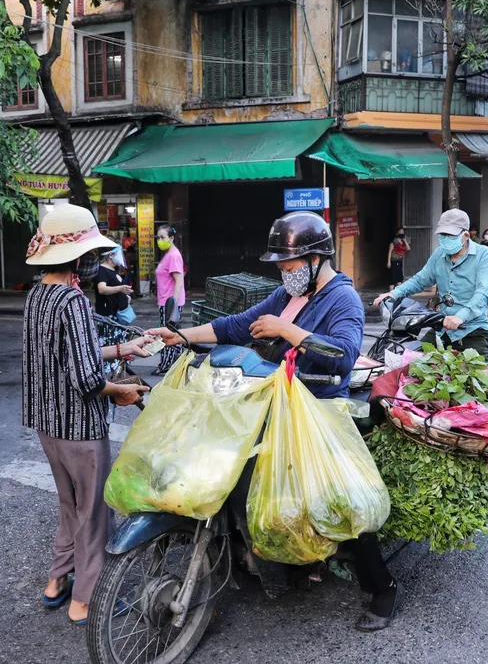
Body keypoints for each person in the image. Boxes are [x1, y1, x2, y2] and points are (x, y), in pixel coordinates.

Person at [148, 212, 400, 632]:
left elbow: (343, 355)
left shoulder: (343, 299)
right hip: (275, 402)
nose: (285, 275)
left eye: (291, 267)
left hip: (319, 409)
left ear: (317, 259)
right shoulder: (287, 296)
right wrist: (184, 336)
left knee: (342, 501)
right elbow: (238, 325)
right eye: (281, 268)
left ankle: (383, 587)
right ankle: (273, 559)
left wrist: (289, 330)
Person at [23, 204, 154, 625]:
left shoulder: (37, 296)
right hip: (80, 428)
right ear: (78, 257)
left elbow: (66, 355)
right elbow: (87, 379)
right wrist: (124, 391)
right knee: (94, 512)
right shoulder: (74, 301)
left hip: (48, 425)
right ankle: (86, 598)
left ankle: (57, 582)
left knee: (70, 505)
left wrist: (121, 349)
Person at [374, 209, 488, 359]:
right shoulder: (439, 254)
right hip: (442, 328)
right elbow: (420, 280)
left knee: (476, 379)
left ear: (465, 236)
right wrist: (393, 294)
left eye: (450, 235)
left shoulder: (484, 255)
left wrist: (460, 317)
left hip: (472, 330)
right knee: (411, 366)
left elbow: (483, 293)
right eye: (442, 235)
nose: (444, 239)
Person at [154, 225, 186, 374]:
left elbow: (179, 280)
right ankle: (176, 362)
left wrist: (172, 303)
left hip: (170, 303)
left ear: (171, 238)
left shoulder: (173, 255)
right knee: (170, 333)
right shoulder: (168, 254)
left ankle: (166, 365)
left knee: (167, 334)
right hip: (165, 302)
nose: (160, 240)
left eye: (163, 237)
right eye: (158, 238)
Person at [94, 247, 134, 323]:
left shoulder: (112, 270)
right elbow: (102, 289)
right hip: (108, 316)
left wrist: (125, 297)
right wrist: (120, 289)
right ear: (111, 255)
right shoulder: (102, 270)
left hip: (116, 315)